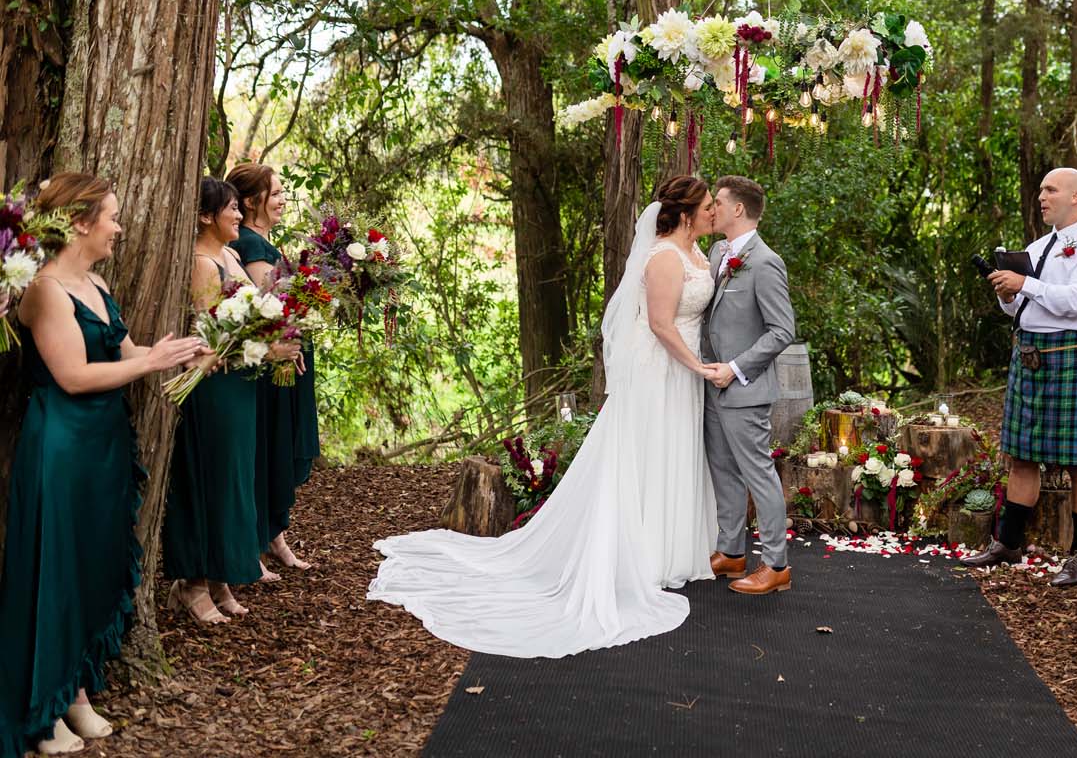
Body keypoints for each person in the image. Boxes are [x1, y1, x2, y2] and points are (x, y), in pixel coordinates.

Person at [367, 177, 723, 656]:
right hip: (661, 370)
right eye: (706, 207)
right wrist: (698, 366)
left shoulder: (701, 255)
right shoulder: (663, 257)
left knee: (673, 454)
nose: (713, 213)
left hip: (684, 371)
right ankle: (644, 557)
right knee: (649, 454)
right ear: (685, 213)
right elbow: (660, 325)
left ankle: (672, 551)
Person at [0, 173, 202, 757]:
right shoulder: (44, 289)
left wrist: (182, 353)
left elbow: (124, 352)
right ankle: (41, 711)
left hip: (104, 445)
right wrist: (148, 364)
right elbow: (72, 375)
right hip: (61, 446)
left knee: (89, 565)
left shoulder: (96, 281)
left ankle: (77, 691)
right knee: (55, 570)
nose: (119, 227)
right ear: (82, 222)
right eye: (112, 216)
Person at [961, 168, 1077, 587]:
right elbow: (1021, 310)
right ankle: (1009, 544)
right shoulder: (1037, 247)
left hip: (1073, 357)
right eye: (1041, 190)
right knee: (1022, 455)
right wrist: (1007, 295)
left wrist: (1026, 284)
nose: (1042, 196)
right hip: (1029, 356)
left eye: (1051, 190)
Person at [161, 179, 292, 623]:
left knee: (235, 479)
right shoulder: (201, 263)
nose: (239, 216)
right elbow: (210, 336)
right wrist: (267, 348)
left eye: (239, 208)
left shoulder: (232, 255)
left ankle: (220, 578)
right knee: (213, 478)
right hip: (213, 385)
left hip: (240, 383)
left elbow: (250, 318)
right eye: (230, 209)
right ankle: (193, 583)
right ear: (204, 217)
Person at [701, 176, 798, 595]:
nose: (712, 209)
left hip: (743, 388)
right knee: (722, 471)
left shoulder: (766, 261)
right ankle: (731, 552)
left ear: (738, 209)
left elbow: (782, 331)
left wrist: (736, 368)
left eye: (718, 203)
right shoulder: (717, 251)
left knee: (758, 474)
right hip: (710, 387)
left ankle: (776, 565)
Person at [226, 162, 318, 579]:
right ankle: (261, 538)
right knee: (270, 449)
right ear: (250, 202)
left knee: (278, 447)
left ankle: (274, 535)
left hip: (288, 355)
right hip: (270, 364)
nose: (283, 199)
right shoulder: (250, 245)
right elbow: (275, 305)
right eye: (276, 193)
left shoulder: (266, 242)